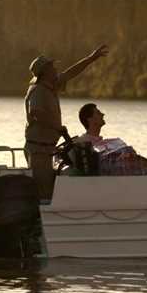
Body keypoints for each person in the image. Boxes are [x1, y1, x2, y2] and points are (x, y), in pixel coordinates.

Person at [24, 45, 108, 199]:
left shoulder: (52, 85)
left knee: (49, 189)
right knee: (45, 193)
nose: (55, 68)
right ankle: (44, 222)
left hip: (48, 149)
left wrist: (91, 58)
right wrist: (57, 127)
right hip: (38, 150)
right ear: (45, 72)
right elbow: (35, 113)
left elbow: (71, 73)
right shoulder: (38, 90)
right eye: (51, 67)